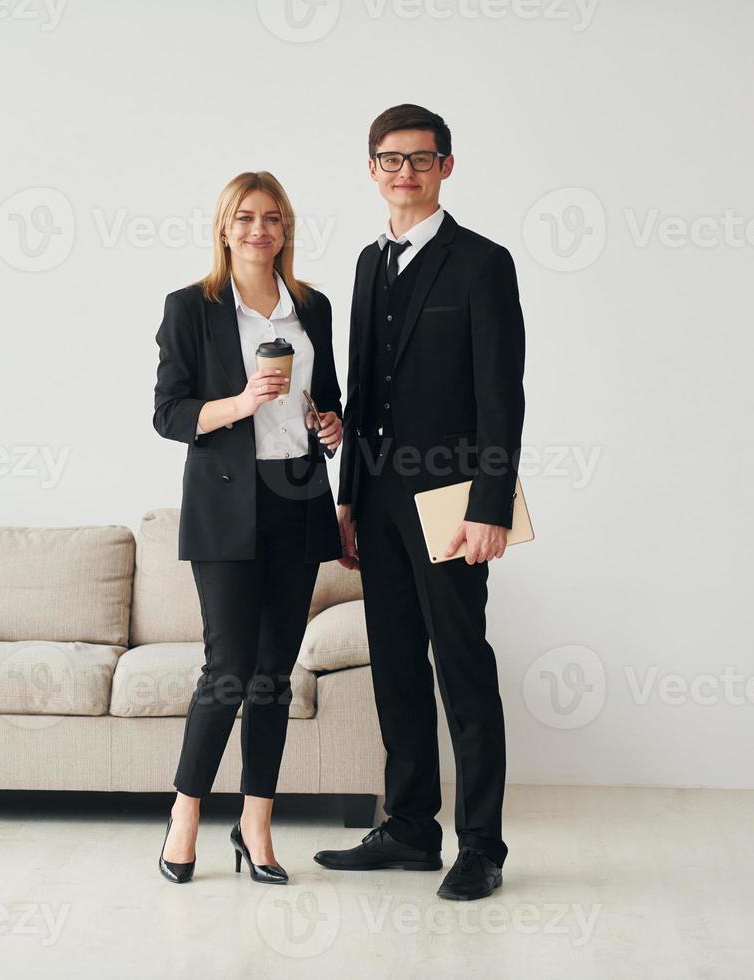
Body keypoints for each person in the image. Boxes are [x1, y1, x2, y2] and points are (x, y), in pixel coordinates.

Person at [312, 105, 526, 901]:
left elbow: (502, 395)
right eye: (391, 160)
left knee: (462, 666)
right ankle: (408, 827)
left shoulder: (482, 264)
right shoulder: (369, 265)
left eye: (421, 159)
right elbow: (363, 388)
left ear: (447, 167)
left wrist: (492, 506)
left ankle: (482, 847)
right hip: (375, 498)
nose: (405, 172)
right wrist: (346, 501)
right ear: (372, 169)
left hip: (453, 502)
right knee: (395, 668)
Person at [152, 171, 345, 885]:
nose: (259, 229)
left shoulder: (312, 307)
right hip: (226, 507)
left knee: (273, 677)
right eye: (245, 218)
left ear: (285, 230)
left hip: (296, 500)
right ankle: (185, 815)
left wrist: (331, 422)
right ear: (225, 229)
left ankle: (256, 826)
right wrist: (238, 402)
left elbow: (328, 396)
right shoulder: (191, 308)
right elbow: (169, 413)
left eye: (272, 218)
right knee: (228, 672)